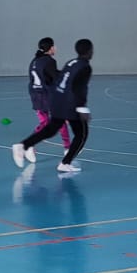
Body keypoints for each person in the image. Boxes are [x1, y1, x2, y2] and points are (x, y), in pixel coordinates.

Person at [14, 39, 93, 173]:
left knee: (51, 129)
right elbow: (79, 88)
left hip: (57, 99)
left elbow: (61, 79)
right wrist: (81, 108)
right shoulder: (85, 67)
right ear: (90, 51)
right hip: (68, 102)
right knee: (81, 134)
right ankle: (65, 162)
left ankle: (23, 145)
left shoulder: (71, 62)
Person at [28, 37, 71, 154]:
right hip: (46, 95)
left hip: (35, 96)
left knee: (45, 123)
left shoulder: (34, 61)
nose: (55, 48)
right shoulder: (49, 61)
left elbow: (45, 75)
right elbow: (55, 79)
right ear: (51, 48)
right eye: (54, 46)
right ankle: (68, 148)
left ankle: (29, 144)